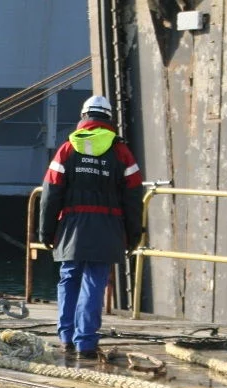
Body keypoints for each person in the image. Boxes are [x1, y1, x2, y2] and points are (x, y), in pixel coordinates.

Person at [38, 94, 143, 359]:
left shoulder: (67, 149)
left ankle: (66, 338)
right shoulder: (121, 152)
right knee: (95, 282)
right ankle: (86, 343)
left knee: (69, 277)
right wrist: (133, 235)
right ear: (109, 119)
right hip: (108, 227)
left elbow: (51, 193)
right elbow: (133, 197)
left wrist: (46, 231)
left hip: (72, 226)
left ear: (84, 117)